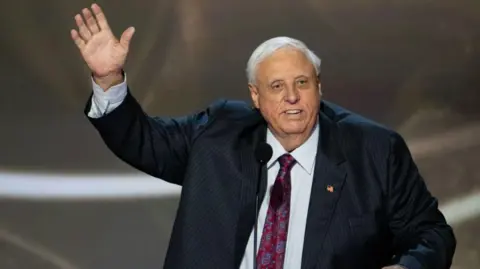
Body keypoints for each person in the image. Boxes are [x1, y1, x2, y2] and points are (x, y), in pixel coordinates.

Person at [71, 3, 456, 269]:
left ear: (319, 87)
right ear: (255, 96)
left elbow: (432, 233)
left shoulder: (374, 151)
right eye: (276, 86)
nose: (291, 97)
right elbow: (143, 141)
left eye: (301, 83)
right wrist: (109, 79)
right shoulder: (219, 132)